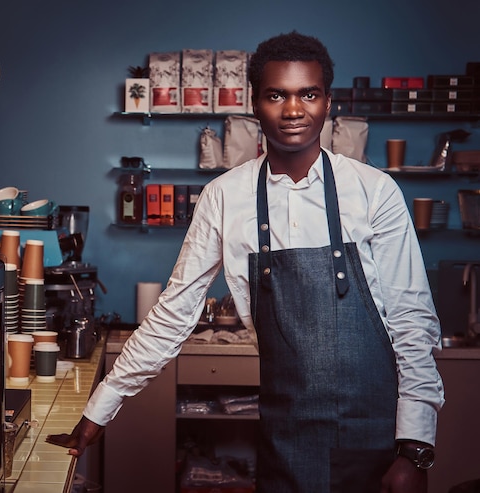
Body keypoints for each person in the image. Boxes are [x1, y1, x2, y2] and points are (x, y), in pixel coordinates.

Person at [47, 31, 444, 493]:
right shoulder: (224, 197)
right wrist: (99, 410)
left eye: (308, 94)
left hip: (375, 443)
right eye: (277, 95)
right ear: (255, 104)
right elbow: (174, 314)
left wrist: (415, 449)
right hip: (285, 443)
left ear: (328, 102)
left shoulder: (374, 191)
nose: (293, 110)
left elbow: (412, 323)